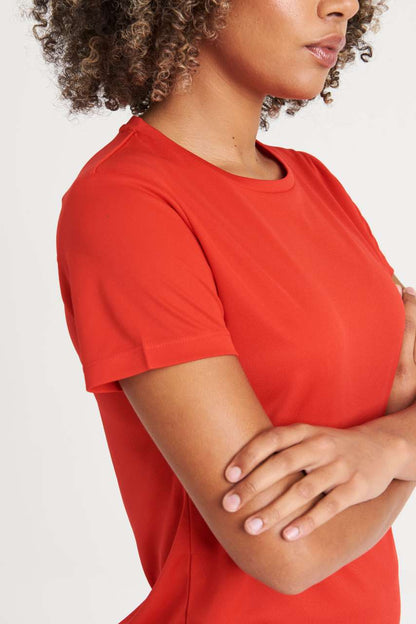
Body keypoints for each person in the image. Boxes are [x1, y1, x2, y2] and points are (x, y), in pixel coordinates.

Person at [29, 0, 416, 622]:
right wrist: (401, 450)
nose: (342, 6)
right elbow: (286, 553)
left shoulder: (316, 184)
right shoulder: (127, 205)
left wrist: (394, 445)